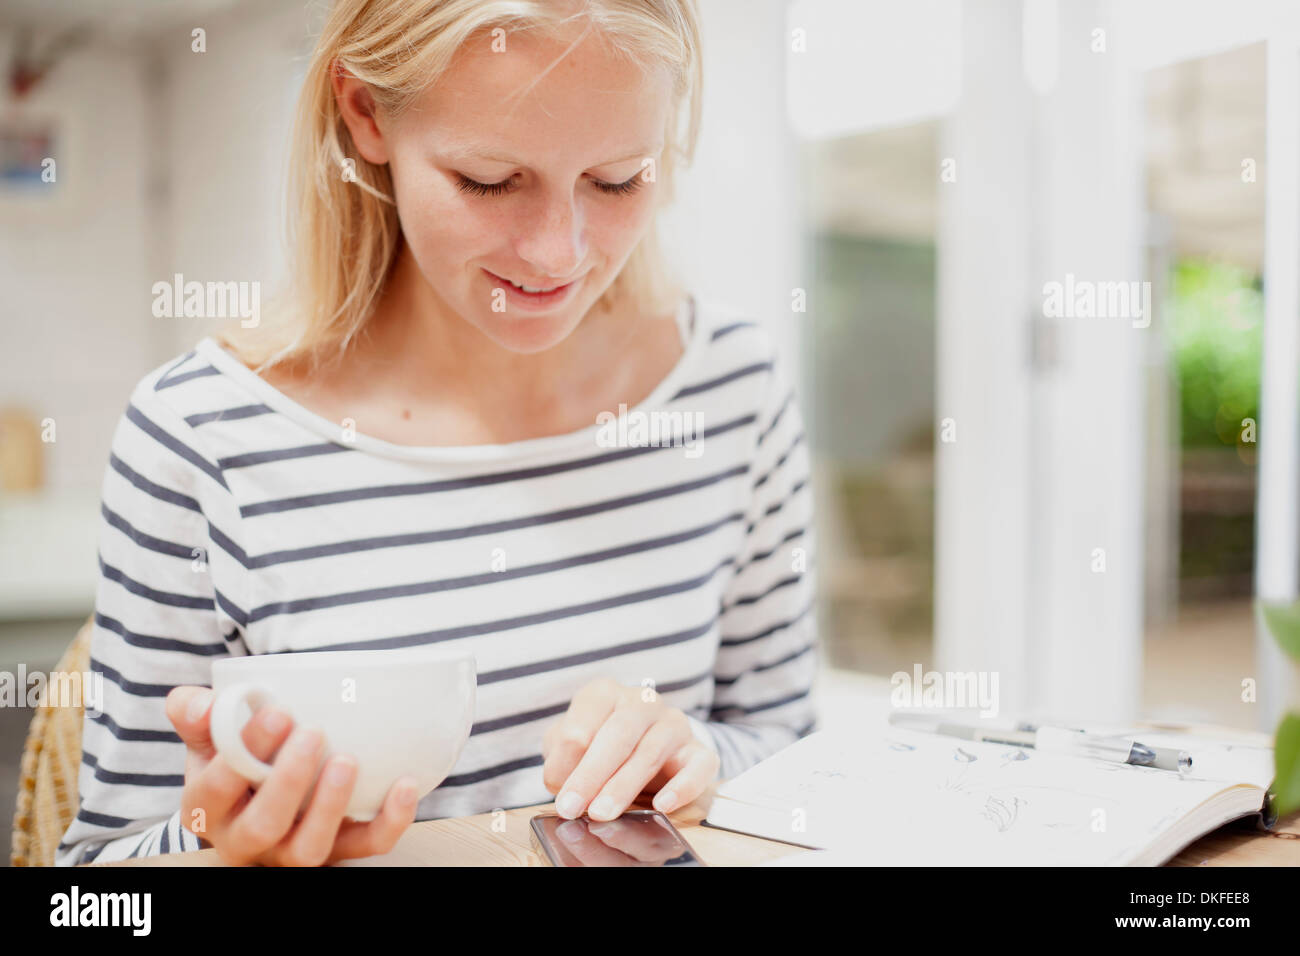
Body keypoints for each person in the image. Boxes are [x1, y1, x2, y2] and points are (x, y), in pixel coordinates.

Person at [57, 0, 817, 867]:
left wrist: (705, 762)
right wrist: (217, 849)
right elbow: (93, 892)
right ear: (364, 113)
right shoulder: (198, 437)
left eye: (617, 180)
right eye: (490, 179)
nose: (557, 253)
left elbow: (794, 750)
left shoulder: (732, 389)